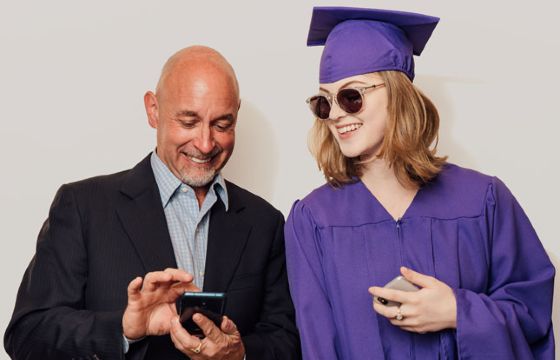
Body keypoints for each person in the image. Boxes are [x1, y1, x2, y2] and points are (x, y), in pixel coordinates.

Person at [285, 7, 555, 359]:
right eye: (324, 102)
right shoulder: (313, 220)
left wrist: (458, 312)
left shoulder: (483, 200)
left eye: (352, 97)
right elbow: (317, 347)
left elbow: (532, 317)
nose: (336, 114)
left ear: (398, 93)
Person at [5, 46, 300, 359]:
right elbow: (27, 333)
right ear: (153, 110)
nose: (205, 143)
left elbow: (287, 341)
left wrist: (239, 354)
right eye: (188, 122)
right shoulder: (83, 207)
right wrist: (123, 329)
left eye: (222, 124)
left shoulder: (264, 222)